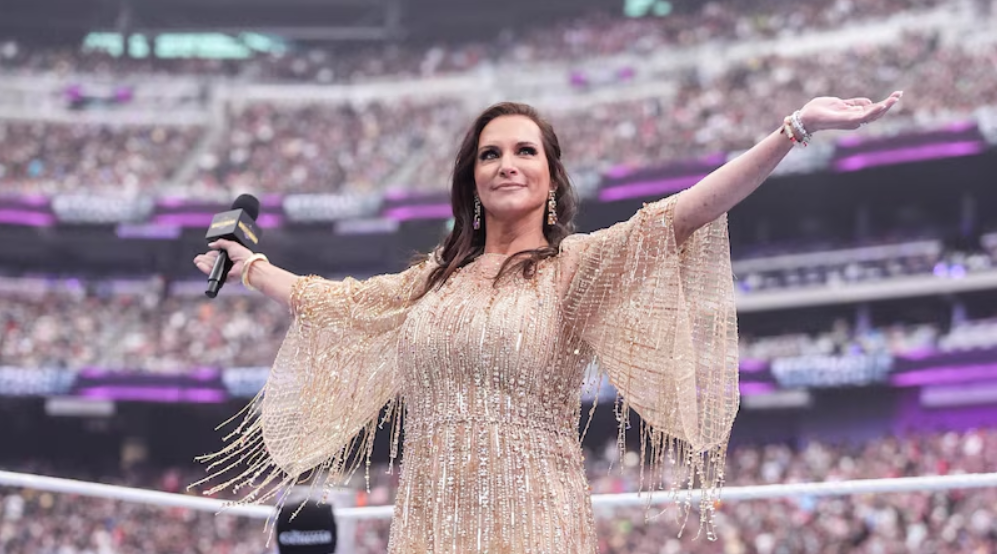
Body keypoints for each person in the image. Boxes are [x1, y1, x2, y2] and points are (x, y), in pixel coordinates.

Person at [193, 93, 903, 553]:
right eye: (490, 153)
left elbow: (684, 213)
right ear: (471, 179)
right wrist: (251, 266)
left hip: (536, 518)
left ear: (551, 178)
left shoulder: (575, 267)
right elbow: (335, 303)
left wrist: (793, 128)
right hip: (429, 522)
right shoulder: (431, 280)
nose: (506, 164)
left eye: (523, 150)